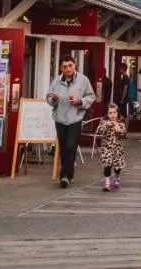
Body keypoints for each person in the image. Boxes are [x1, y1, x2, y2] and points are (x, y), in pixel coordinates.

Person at [46, 55, 96, 188]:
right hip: (60, 118)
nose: (68, 69)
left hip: (75, 118)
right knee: (63, 147)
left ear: (75, 65)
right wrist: (54, 98)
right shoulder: (56, 81)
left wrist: (79, 101)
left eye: (70, 66)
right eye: (65, 66)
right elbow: (49, 98)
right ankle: (69, 174)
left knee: (71, 145)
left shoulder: (83, 80)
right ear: (61, 68)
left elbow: (91, 97)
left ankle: (64, 176)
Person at [96, 103, 127, 191]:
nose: (112, 115)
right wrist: (106, 126)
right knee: (107, 165)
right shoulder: (104, 122)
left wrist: (119, 130)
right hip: (107, 149)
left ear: (118, 113)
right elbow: (99, 131)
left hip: (117, 149)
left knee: (117, 167)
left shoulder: (121, 123)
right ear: (107, 114)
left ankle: (117, 178)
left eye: (114, 112)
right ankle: (107, 183)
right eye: (110, 113)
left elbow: (124, 134)